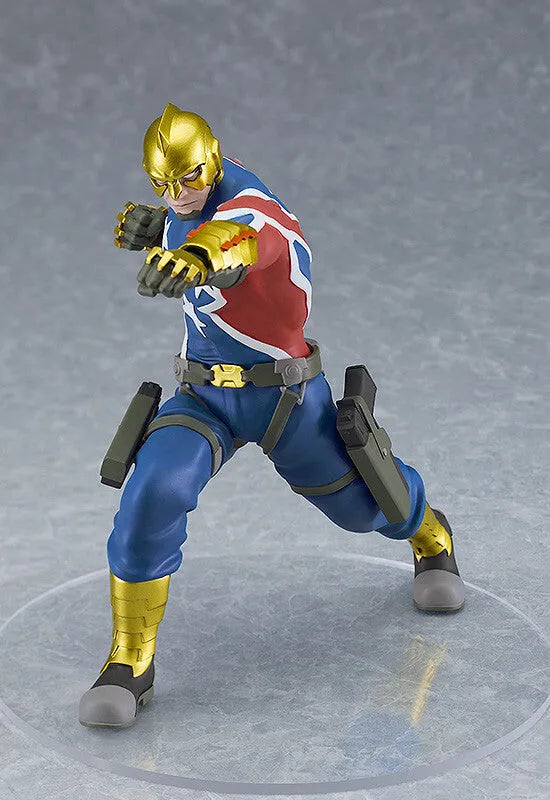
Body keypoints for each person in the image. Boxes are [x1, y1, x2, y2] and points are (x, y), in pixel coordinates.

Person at [79, 103, 465, 729]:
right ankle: (130, 660)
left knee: (361, 506)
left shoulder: (255, 212)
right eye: (163, 185)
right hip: (204, 395)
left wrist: (197, 256)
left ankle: (430, 534)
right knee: (153, 490)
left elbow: (237, 242)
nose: (179, 195)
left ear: (213, 160)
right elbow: (188, 222)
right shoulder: (185, 208)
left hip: (285, 397)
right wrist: (161, 229)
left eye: (189, 180)